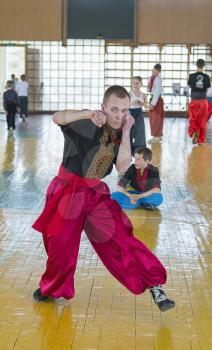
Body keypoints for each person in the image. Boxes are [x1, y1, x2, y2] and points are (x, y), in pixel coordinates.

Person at [32, 85, 175, 312]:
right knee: (61, 245)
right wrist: (86, 113)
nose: (119, 115)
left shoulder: (123, 131)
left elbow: (121, 166)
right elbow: (57, 117)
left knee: (121, 236)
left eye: (124, 110)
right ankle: (51, 288)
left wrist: (127, 132)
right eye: (114, 109)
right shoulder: (88, 122)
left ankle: (154, 284)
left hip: (95, 194)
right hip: (68, 191)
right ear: (104, 107)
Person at [187, 59, 211, 145]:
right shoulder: (207, 77)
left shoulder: (191, 76)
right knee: (202, 120)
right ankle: (200, 141)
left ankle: (194, 131)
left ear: (196, 65)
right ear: (203, 66)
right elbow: (208, 91)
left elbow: (187, 89)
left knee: (193, 119)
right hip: (203, 101)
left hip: (194, 100)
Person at [129, 76, 148, 152]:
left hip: (139, 114)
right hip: (130, 114)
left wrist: (142, 103)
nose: (135, 85)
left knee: (140, 133)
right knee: (130, 132)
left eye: (137, 83)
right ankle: (128, 149)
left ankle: (139, 150)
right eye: (133, 83)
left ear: (141, 84)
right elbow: (125, 104)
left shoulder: (144, 95)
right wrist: (133, 102)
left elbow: (146, 106)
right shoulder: (129, 93)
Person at [147, 64, 164, 144]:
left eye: (156, 71)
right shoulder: (152, 78)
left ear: (159, 72)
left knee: (156, 118)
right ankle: (157, 136)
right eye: (153, 70)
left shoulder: (158, 79)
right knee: (153, 118)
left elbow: (157, 92)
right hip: (153, 98)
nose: (154, 72)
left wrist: (153, 104)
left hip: (156, 100)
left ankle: (157, 136)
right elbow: (149, 89)